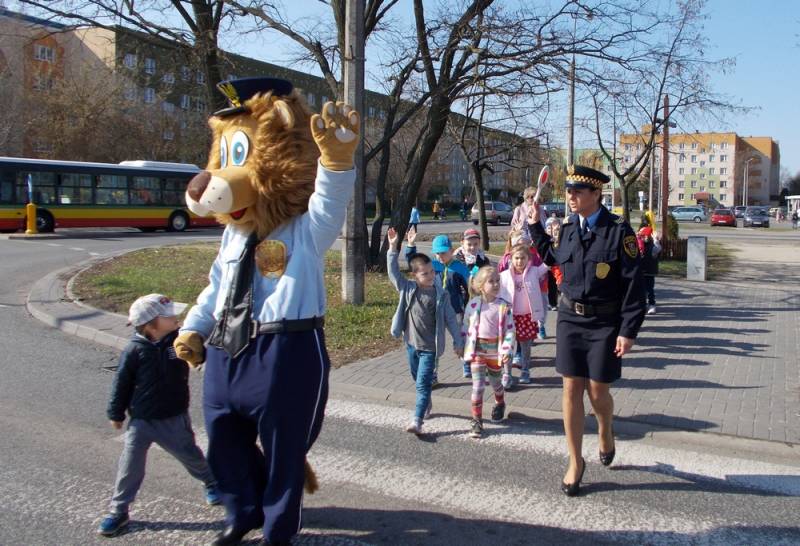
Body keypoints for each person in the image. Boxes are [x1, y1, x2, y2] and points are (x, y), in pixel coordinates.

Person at [528, 165, 645, 497]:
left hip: (604, 323)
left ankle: (605, 428)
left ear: (596, 194)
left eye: (578, 191)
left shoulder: (619, 232)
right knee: (570, 388)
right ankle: (575, 461)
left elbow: (634, 284)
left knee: (597, 392)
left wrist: (628, 330)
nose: (571, 196)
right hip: (570, 318)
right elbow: (553, 258)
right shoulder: (568, 229)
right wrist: (534, 225)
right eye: (569, 191)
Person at [97, 294, 220, 537]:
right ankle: (118, 510)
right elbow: (122, 383)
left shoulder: (177, 341)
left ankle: (211, 482)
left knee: (190, 455)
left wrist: (198, 354)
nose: (176, 317)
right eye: (169, 316)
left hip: (173, 417)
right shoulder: (134, 350)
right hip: (141, 421)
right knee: (130, 465)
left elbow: (199, 354)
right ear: (151, 325)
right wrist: (116, 412)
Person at [387, 227, 464, 435]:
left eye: (431, 272)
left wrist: (458, 341)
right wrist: (393, 248)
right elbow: (393, 273)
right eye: (424, 273)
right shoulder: (408, 288)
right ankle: (426, 400)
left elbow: (451, 320)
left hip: (430, 348)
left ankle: (417, 420)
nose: (430, 276)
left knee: (422, 383)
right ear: (415, 275)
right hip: (411, 345)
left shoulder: (441, 295)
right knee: (417, 379)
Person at [462, 266, 516, 439]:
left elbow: (510, 331)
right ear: (480, 286)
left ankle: (500, 402)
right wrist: (460, 345)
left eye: (497, 281)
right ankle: (476, 420)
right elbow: (465, 326)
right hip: (477, 350)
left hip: (495, 352)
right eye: (491, 281)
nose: (496, 284)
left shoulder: (504, 306)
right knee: (478, 386)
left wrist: (507, 349)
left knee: (496, 384)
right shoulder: (473, 304)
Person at [499, 244, 549, 385]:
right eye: (516, 258)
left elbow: (548, 263)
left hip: (527, 317)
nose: (519, 261)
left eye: (523, 258)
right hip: (510, 317)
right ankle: (507, 373)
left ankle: (525, 370)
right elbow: (496, 292)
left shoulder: (535, 271)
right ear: (511, 259)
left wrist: (554, 245)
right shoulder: (504, 276)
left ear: (529, 259)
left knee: (525, 346)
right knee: (508, 346)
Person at [637, 226, 661, 315]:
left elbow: (658, 249)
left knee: (650, 290)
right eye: (642, 236)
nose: (643, 238)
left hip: (649, 272)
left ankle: (652, 304)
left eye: (645, 236)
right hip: (640, 272)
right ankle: (642, 305)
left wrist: (656, 239)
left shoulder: (653, 246)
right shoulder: (638, 244)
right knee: (641, 290)